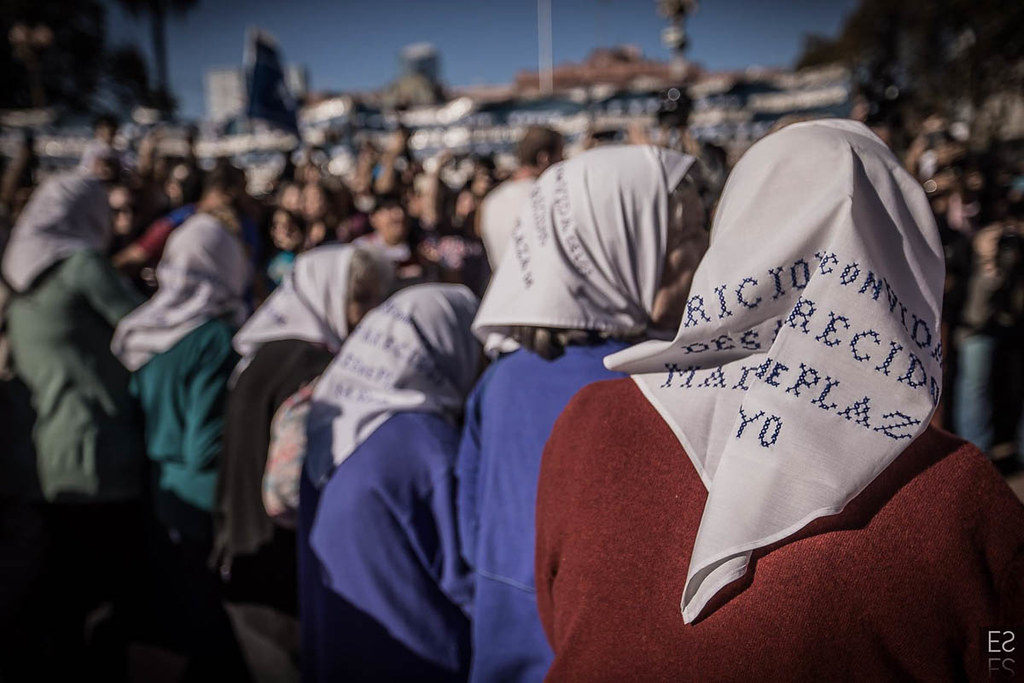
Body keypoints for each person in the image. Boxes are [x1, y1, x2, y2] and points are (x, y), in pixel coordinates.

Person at [534, 120, 1024, 680]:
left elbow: (561, 622)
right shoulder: (965, 500)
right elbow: (1003, 658)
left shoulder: (588, 419)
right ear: (908, 257)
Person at [459, 144, 709, 682]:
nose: (704, 252)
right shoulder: (659, 384)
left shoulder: (500, 380)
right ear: (621, 247)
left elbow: (471, 530)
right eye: (685, 237)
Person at [0, 154, 148, 679]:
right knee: (109, 602)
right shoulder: (82, 267)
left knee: (61, 604)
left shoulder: (16, 282)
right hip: (102, 453)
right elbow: (144, 331)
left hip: (39, 458)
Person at [301, 284, 480, 681]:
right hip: (423, 660)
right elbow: (471, 584)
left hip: (337, 652)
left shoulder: (331, 428)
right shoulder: (431, 451)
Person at [214, 245, 392, 617]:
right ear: (325, 293)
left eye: (379, 300)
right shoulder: (318, 369)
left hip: (241, 547)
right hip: (285, 566)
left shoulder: (261, 355)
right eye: (360, 299)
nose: (371, 314)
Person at [110, 212, 251, 679]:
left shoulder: (149, 332)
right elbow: (205, 443)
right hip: (200, 500)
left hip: (159, 488)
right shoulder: (214, 337)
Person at [477, 126, 563, 268]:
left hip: (503, 285)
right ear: (544, 159)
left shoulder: (492, 200)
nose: (563, 162)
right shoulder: (548, 195)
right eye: (560, 155)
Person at [355, 193, 423, 283]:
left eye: (402, 209)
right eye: (390, 208)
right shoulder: (362, 248)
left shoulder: (421, 250)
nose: (400, 214)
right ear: (373, 218)